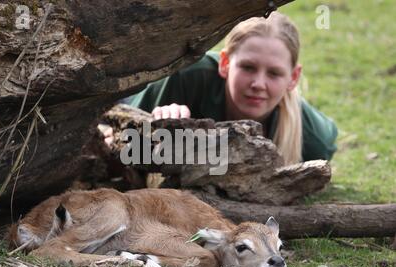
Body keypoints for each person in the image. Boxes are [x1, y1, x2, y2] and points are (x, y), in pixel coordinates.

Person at [109, 12, 338, 165]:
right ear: (225, 63)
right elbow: (121, 146)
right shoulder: (185, 76)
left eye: (274, 73)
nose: (258, 84)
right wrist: (160, 124)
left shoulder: (314, 141)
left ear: (293, 77)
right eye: (248, 67)